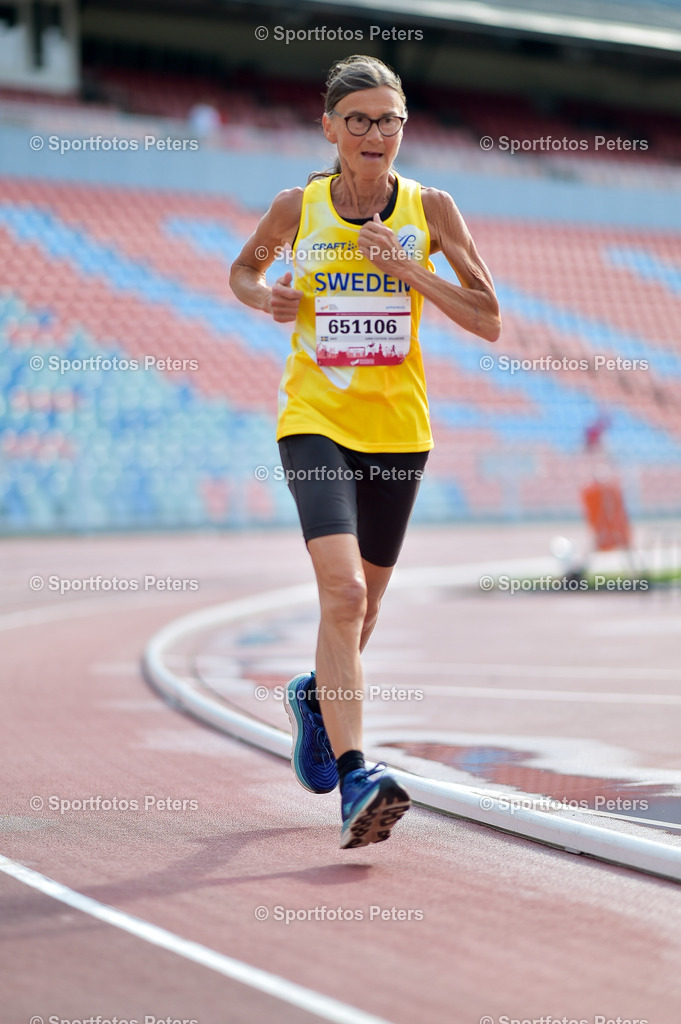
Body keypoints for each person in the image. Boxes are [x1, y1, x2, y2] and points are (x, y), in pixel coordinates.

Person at [230, 54, 500, 849]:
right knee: (343, 596)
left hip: (399, 434)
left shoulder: (431, 208)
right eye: (360, 121)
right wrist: (266, 296)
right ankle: (357, 778)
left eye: (390, 121)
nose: (377, 134)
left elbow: (487, 317)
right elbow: (243, 270)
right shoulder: (298, 206)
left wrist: (407, 267)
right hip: (314, 420)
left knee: (365, 611)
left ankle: (314, 699)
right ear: (329, 130)